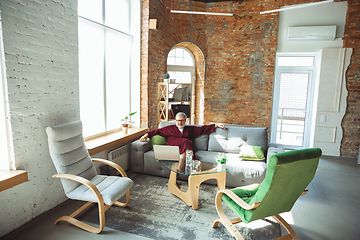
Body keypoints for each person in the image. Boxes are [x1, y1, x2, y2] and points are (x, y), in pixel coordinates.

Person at [140, 112, 225, 171]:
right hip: (172, 149)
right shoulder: (170, 128)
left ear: (185, 121)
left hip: (183, 152)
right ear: (175, 121)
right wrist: (146, 135)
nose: (179, 122)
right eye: (177, 120)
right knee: (186, 142)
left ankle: (180, 168)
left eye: (181, 120)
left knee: (186, 147)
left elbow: (203, 129)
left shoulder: (190, 129)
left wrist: (216, 125)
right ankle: (191, 160)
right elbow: (157, 131)